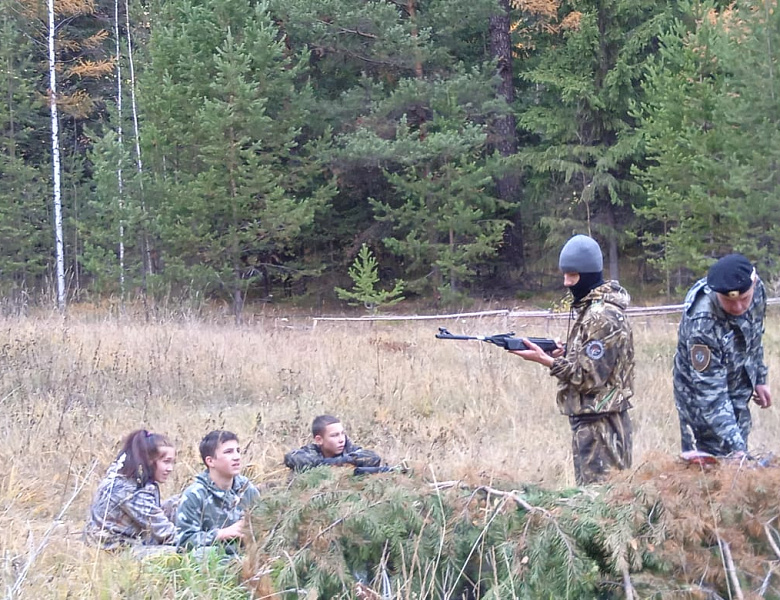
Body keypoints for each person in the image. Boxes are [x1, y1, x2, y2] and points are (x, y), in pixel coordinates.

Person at [510, 234, 635, 485]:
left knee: (601, 501)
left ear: (588, 275)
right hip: (592, 420)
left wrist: (546, 361)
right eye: (565, 275)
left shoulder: (601, 316)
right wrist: (567, 353)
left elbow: (589, 378)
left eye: (573, 276)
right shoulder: (593, 310)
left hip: (601, 424)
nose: (566, 283)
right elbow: (596, 362)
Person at [673, 253, 772, 457]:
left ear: (753, 283)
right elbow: (711, 393)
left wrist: (760, 378)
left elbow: (754, 337)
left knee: (738, 454)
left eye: (744, 299)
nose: (738, 307)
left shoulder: (758, 290)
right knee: (714, 461)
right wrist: (737, 447)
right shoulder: (702, 321)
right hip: (700, 400)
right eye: (728, 301)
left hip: (737, 384)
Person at [84, 429, 177, 552]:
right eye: (166, 462)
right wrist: (202, 542)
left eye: (172, 462)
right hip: (116, 551)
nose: (170, 468)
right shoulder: (130, 491)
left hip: (130, 539)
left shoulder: (126, 477)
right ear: (149, 460)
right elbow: (165, 533)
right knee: (182, 554)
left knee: (182, 501)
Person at [175, 430, 261, 555]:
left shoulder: (247, 489)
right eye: (228, 452)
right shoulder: (195, 495)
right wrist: (221, 534)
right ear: (210, 461)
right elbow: (184, 543)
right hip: (213, 560)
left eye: (238, 450)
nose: (237, 457)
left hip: (246, 555)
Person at [284, 415, 382, 471]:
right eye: (334, 435)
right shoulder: (311, 452)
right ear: (319, 440)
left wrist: (345, 461)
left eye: (342, 434)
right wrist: (331, 464)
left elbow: (374, 458)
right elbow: (291, 457)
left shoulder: (351, 451)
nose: (341, 439)